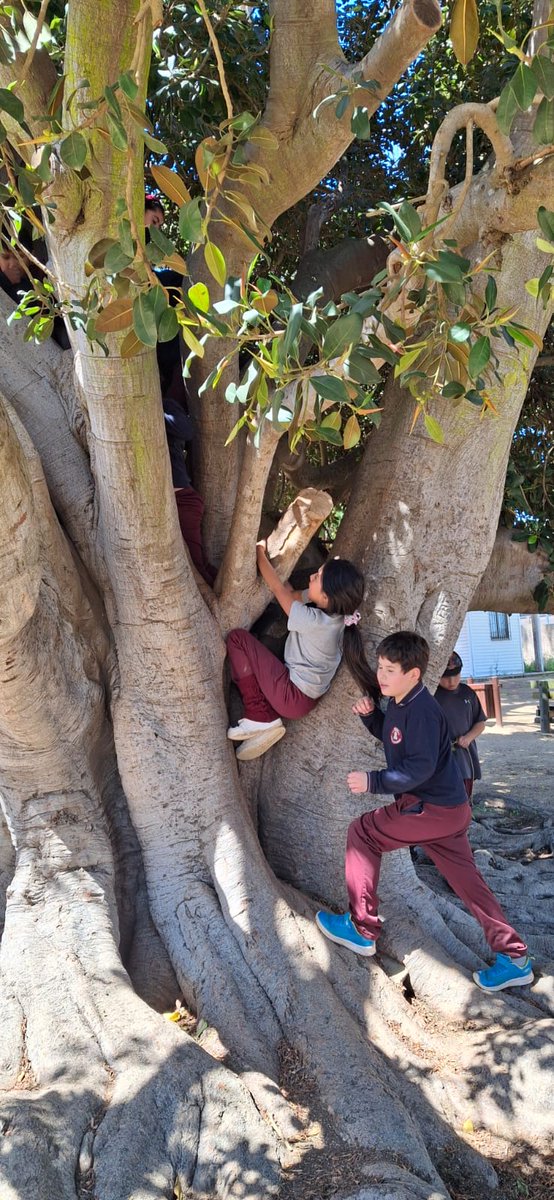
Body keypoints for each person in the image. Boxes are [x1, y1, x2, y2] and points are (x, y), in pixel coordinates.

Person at [315, 630, 534, 993]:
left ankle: (361, 927)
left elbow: (416, 769)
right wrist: (373, 720)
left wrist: (371, 781)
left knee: (363, 832)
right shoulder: (402, 701)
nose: (381, 676)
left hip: (434, 810)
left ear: (413, 674)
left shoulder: (423, 711)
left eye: (389, 670)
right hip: (447, 812)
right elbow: (398, 740)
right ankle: (515, 958)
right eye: (380, 668)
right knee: (470, 886)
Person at [225, 548, 380, 762]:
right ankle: (265, 719)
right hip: (303, 699)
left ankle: (258, 713)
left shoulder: (315, 622)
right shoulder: (337, 617)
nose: (310, 576)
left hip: (291, 695)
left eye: (316, 577)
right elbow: (291, 594)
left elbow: (278, 589)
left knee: (237, 639)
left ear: (325, 596)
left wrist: (259, 552)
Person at [163, 394, 216, 587]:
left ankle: (234, 606)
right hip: (167, 503)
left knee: (195, 568)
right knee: (199, 563)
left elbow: (186, 431)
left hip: (183, 501)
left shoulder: (167, 404)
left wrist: (154, 415)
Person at [435, 651, 486, 800]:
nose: (451, 681)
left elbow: (480, 722)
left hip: (464, 753)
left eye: (456, 675)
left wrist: (468, 738)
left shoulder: (467, 693)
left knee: (465, 794)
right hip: (440, 755)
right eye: (445, 677)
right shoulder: (431, 695)